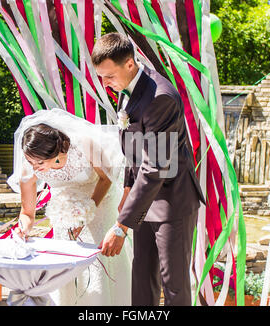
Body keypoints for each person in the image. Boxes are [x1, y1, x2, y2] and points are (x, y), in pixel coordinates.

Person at [91, 32, 205, 306]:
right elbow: (133, 149)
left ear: (130, 63)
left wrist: (120, 226)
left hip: (171, 202)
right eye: (101, 77)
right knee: (142, 277)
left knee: (173, 284)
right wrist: (128, 190)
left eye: (109, 76)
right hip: (144, 198)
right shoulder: (128, 88)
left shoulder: (159, 97)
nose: (105, 84)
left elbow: (155, 167)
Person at [7, 108, 131, 306]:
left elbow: (106, 178)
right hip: (64, 215)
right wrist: (24, 228)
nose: (33, 167)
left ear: (56, 153)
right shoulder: (28, 166)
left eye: (39, 162)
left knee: (98, 271)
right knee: (66, 274)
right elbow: (27, 213)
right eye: (30, 161)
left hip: (99, 204)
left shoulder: (84, 144)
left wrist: (87, 211)